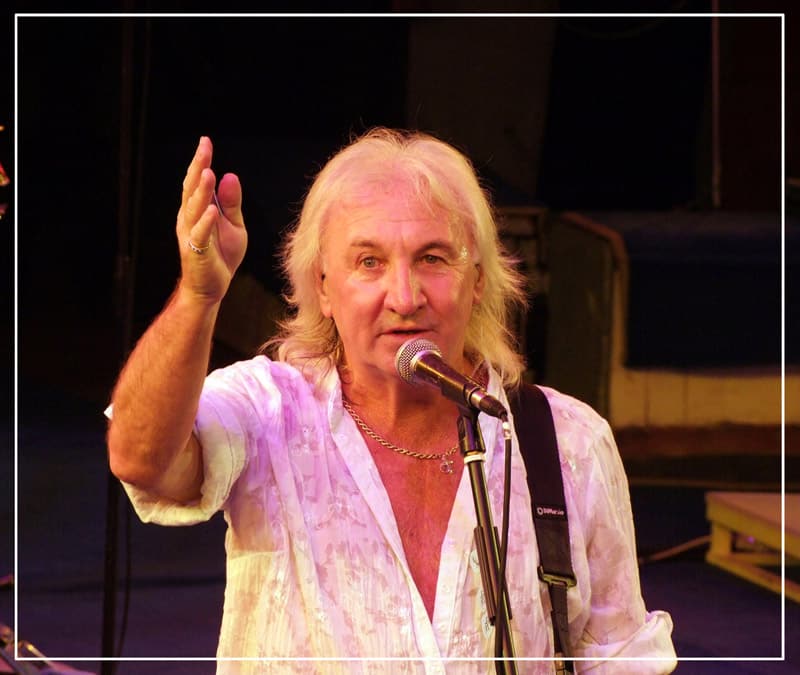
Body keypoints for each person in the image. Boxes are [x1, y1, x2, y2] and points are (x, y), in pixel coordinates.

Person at [106, 128, 677, 674]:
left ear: (478, 280)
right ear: (323, 287)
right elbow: (140, 460)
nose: (404, 298)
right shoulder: (267, 409)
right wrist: (199, 296)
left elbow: (621, 659)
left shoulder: (568, 441)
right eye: (369, 262)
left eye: (433, 258)